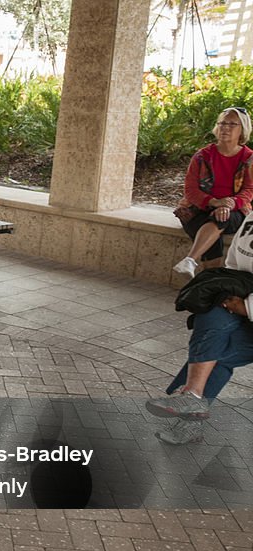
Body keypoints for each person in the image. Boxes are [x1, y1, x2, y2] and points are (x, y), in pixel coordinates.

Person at [147, 216, 253, 444]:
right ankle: (192, 395)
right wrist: (232, 290)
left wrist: (247, 307)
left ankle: (191, 406)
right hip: (244, 294)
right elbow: (235, 262)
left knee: (218, 353)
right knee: (212, 314)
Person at [173, 107, 252, 278]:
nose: (226, 128)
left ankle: (190, 260)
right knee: (213, 232)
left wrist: (228, 204)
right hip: (198, 208)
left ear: (243, 128)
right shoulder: (202, 156)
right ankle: (207, 288)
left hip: (235, 210)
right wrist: (215, 202)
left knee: (221, 217)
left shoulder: (249, 158)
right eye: (222, 123)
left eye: (232, 124)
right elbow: (190, 189)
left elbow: (249, 190)